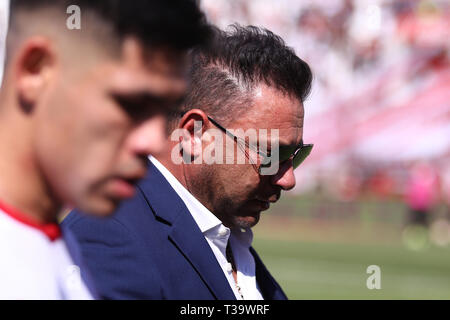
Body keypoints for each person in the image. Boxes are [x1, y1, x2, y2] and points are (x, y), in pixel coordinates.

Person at [64, 25, 313, 300]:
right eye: (272, 154)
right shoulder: (107, 239)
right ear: (194, 135)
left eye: (295, 155)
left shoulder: (226, 235)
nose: (288, 180)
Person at [0, 0, 210, 299]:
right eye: (130, 104)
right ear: (36, 71)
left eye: (164, 112)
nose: (153, 141)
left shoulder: (52, 246)